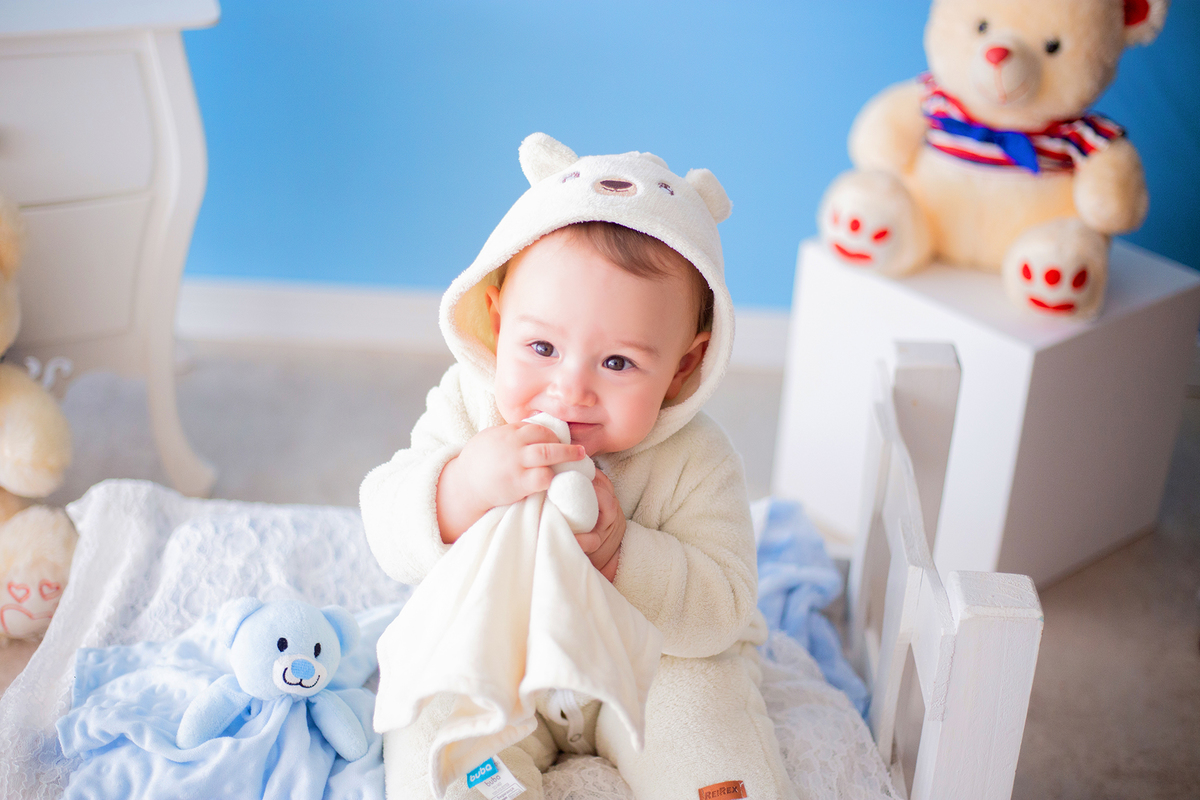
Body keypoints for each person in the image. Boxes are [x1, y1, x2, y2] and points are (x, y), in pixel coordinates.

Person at [361, 133, 793, 800]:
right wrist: (461, 486)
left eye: (617, 363)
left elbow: (725, 606)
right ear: (497, 321)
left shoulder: (698, 459)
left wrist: (624, 557)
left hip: (656, 667)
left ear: (683, 366)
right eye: (540, 346)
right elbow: (386, 525)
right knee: (435, 730)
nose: (570, 389)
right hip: (501, 656)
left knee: (712, 727)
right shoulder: (469, 410)